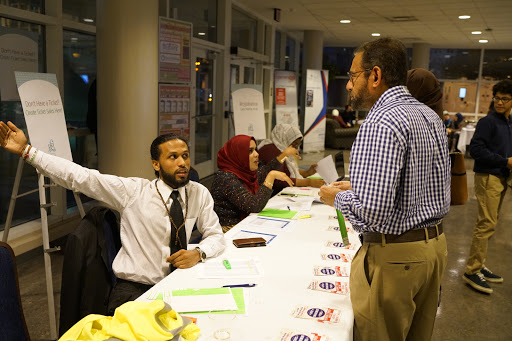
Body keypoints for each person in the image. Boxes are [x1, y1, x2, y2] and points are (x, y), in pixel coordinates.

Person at [0, 121, 226, 314]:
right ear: (156, 164)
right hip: (137, 289)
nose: (182, 163)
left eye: (185, 156)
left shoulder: (198, 193)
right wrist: (27, 151)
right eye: (173, 157)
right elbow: (79, 177)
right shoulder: (134, 192)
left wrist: (198, 252)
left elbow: (215, 234)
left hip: (179, 282)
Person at [318, 37, 450, 341]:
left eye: (353, 76)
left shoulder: (381, 121)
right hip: (434, 250)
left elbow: (373, 211)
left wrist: (336, 197)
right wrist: (360, 185)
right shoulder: (428, 115)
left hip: (396, 257)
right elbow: (423, 182)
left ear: (375, 75)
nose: (349, 86)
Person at [462, 79, 512, 294]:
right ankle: (472, 270)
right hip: (488, 177)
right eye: (497, 98)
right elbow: (476, 150)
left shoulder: (507, 123)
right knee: (485, 224)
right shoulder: (488, 122)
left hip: (501, 177)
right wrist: (504, 161)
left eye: (505, 98)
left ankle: (479, 264)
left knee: (490, 223)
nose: (499, 102)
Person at [211, 135, 294, 232]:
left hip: (245, 224)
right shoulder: (226, 178)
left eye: (255, 150)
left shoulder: (244, 173)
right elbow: (254, 206)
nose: (256, 154)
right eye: (250, 151)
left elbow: (266, 170)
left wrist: (284, 155)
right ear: (238, 154)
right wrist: (271, 176)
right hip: (229, 231)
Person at [258, 124, 325, 195]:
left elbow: (288, 171)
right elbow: (279, 180)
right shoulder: (271, 150)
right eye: (294, 144)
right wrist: (308, 182)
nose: (296, 148)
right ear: (285, 139)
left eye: (298, 145)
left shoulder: (281, 148)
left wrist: (307, 172)